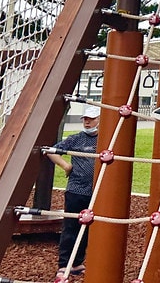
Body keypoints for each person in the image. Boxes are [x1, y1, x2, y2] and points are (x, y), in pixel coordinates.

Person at [46, 105, 100, 277]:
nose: (87, 122)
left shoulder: (105, 141)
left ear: (100, 120)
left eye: (91, 119)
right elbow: (51, 151)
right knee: (71, 227)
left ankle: (77, 263)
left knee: (88, 229)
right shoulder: (76, 139)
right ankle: (64, 264)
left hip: (96, 192)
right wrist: (66, 166)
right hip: (76, 190)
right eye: (85, 119)